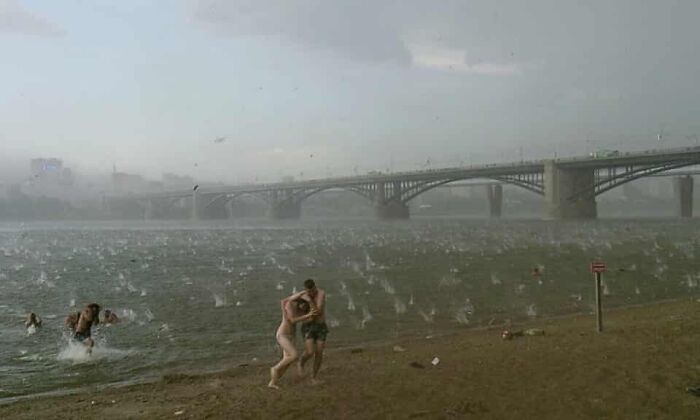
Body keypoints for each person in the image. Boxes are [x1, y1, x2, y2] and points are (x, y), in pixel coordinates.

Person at [268, 291, 317, 389]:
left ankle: (272, 382)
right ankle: (275, 369)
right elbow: (292, 320)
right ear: (299, 301)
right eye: (302, 303)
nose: (303, 307)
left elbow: (310, 317)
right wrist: (305, 292)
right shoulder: (289, 305)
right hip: (283, 335)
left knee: (287, 361)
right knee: (294, 355)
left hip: (291, 336)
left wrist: (310, 305)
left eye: (305, 306)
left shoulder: (300, 312)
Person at [298, 278, 327, 384]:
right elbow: (289, 301)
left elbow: (318, 312)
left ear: (315, 287)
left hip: (320, 326)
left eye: (312, 290)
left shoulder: (321, 294)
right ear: (305, 290)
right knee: (310, 351)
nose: (311, 293)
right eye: (308, 291)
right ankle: (301, 363)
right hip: (308, 326)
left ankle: (314, 377)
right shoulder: (303, 295)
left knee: (319, 352)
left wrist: (309, 301)